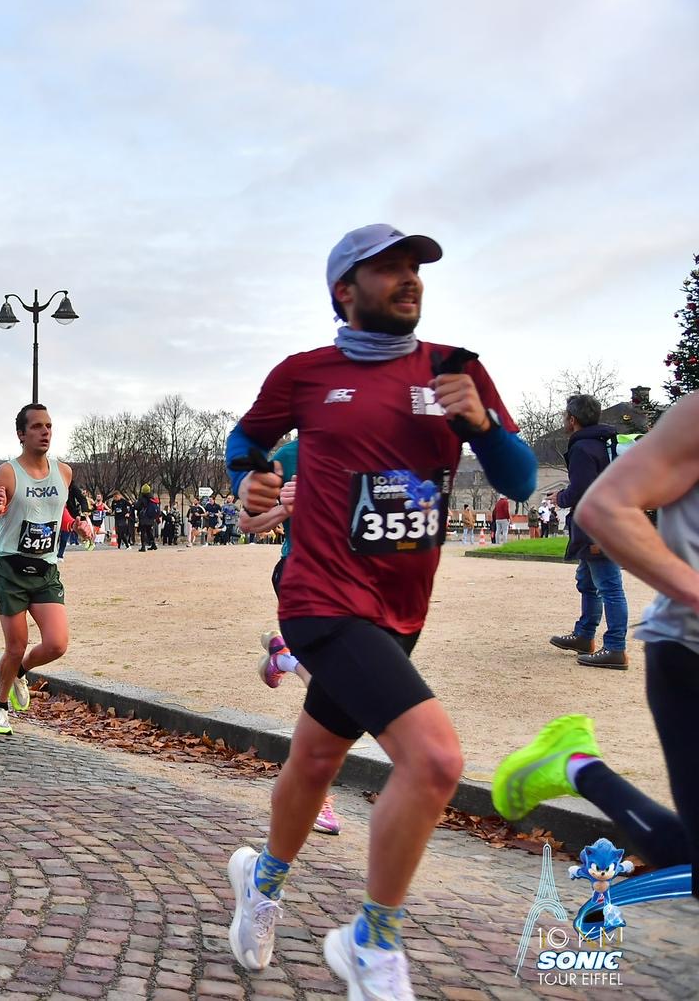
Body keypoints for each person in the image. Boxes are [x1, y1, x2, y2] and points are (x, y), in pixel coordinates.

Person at [223, 224, 535, 998]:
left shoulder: (458, 370)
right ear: (344, 291)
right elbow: (244, 442)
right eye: (388, 268)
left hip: (401, 607)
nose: (409, 279)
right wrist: (252, 480)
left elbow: (522, 481)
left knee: (317, 759)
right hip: (318, 597)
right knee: (434, 760)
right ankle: (371, 941)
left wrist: (484, 428)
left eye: (415, 268)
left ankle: (260, 884)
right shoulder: (304, 374)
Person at [492, 393, 699, 899]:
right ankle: (580, 754)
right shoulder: (686, 419)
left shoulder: (590, 443)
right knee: (603, 589)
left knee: (601, 590)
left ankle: (578, 752)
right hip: (690, 649)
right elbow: (602, 501)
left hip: (593, 540)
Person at [238, 440, 342, 837]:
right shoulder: (290, 456)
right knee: (329, 687)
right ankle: (318, 797)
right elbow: (247, 522)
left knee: (341, 684)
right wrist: (285, 508)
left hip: (357, 581)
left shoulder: (377, 444)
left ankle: (283, 657)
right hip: (302, 573)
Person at [0, 404, 93, 737]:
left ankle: (21, 672)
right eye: (37, 426)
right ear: (21, 434)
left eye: (49, 426)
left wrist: (76, 526)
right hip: (11, 567)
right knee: (15, 644)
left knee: (56, 643)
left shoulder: (63, 472)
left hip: (45, 569)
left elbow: (58, 514)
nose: (45, 432)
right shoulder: (7, 473)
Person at [548, 393, 629, 670]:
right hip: (606, 520)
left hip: (597, 524)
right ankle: (584, 634)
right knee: (588, 581)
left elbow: (582, 489)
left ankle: (615, 647)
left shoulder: (583, 448)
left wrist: (560, 498)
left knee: (608, 585)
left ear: (573, 419)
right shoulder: (601, 444)